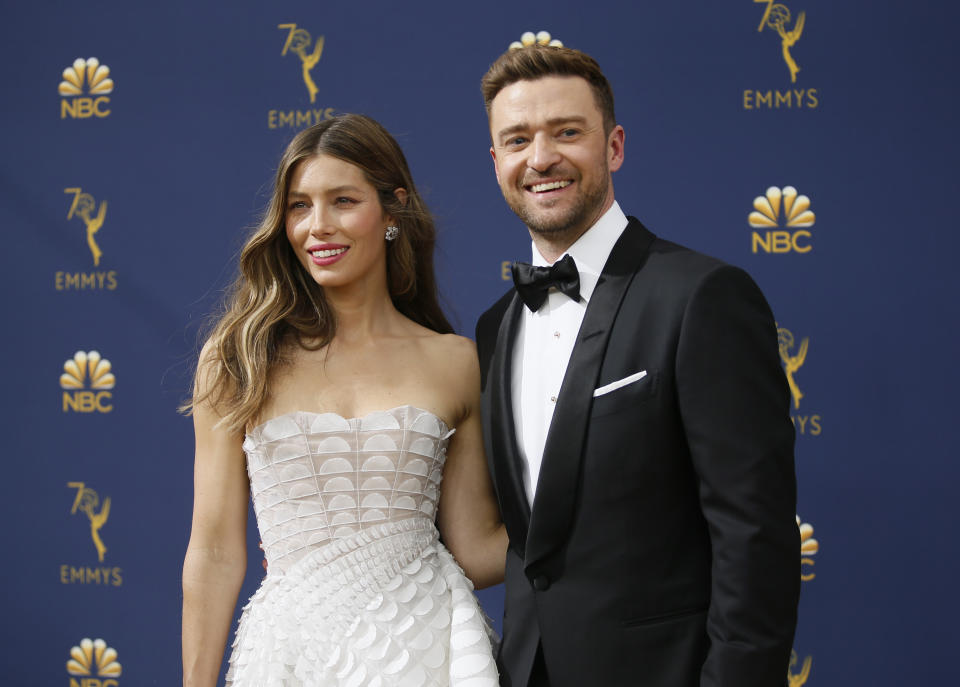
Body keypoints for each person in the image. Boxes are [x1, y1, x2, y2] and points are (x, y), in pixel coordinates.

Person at [474, 44, 800, 686]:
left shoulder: (702, 296)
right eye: (518, 140)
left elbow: (753, 536)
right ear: (496, 162)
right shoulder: (495, 327)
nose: (540, 158)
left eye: (567, 132)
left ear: (614, 146)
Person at [181, 114, 504, 687]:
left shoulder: (456, 361)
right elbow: (214, 552)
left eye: (343, 201)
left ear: (393, 211)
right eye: (300, 205)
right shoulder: (238, 358)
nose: (318, 227)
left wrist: (598, 519)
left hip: (429, 657)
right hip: (290, 658)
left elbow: (476, 551)